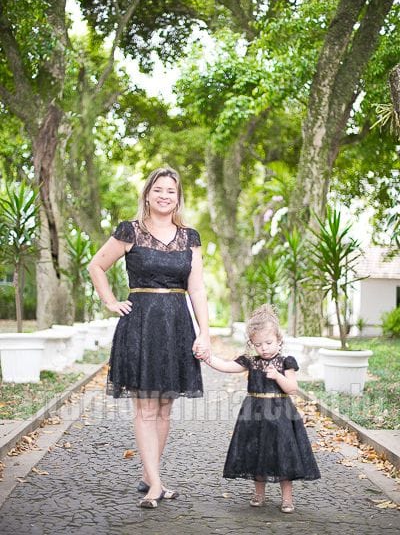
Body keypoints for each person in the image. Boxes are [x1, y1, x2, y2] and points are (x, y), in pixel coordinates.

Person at [88, 167, 211, 509]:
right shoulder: (130, 231)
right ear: (147, 194)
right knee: (145, 406)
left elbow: (197, 287)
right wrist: (110, 301)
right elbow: (96, 266)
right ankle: (156, 484)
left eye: (171, 191)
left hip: (176, 326)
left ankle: (148, 474)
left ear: (178, 197)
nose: (164, 196)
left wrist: (205, 332)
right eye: (158, 189)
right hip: (140, 324)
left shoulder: (190, 237)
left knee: (164, 407)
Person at [201, 303, 320, 513]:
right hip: (254, 414)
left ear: (279, 340)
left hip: (280, 414)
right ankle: (259, 493)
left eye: (268, 342)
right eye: (258, 344)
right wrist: (208, 358)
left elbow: (292, 388)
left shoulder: (286, 362)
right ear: (252, 344)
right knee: (256, 452)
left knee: (284, 453)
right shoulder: (251, 362)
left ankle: (287, 498)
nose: (264, 348)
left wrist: (278, 376)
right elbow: (227, 366)